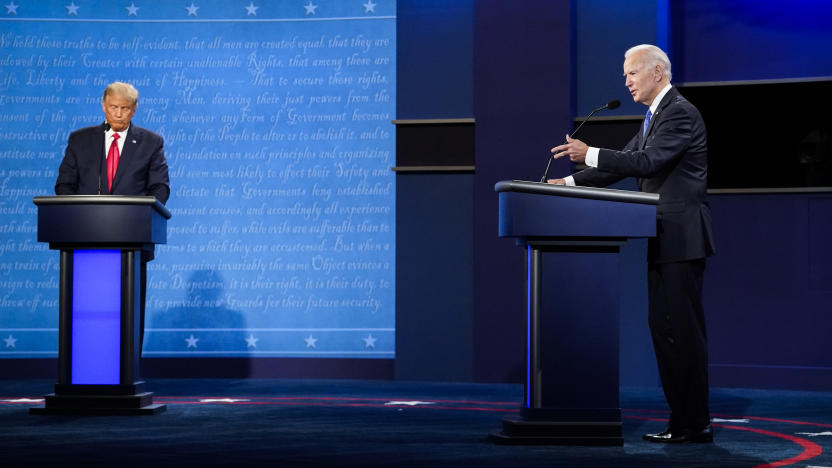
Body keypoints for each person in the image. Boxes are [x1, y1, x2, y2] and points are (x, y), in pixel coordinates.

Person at [549, 44, 716, 443]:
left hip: (683, 238)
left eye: (632, 73)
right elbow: (622, 162)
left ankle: (695, 423)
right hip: (662, 237)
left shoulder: (679, 113)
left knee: (682, 332)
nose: (626, 81)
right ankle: (684, 421)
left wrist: (589, 153)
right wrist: (567, 183)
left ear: (658, 72)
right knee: (664, 330)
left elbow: (647, 163)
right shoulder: (653, 116)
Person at [55, 81, 170, 350]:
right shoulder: (80, 140)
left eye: (125, 109)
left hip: (131, 243)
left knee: (128, 311)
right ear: (103, 106)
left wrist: (139, 216)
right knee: (87, 311)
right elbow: (64, 186)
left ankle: (128, 374)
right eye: (114, 108)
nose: (118, 114)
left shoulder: (151, 142)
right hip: (84, 243)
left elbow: (160, 187)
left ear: (134, 110)